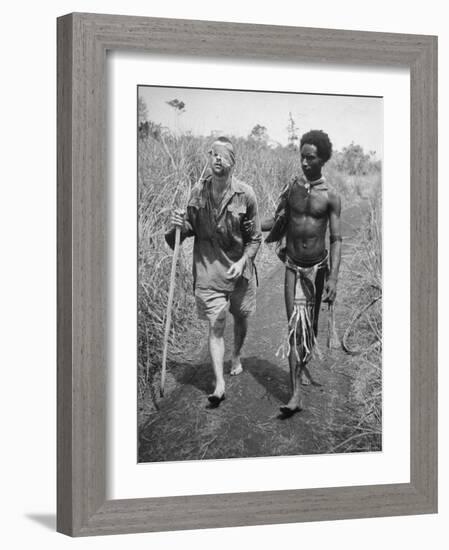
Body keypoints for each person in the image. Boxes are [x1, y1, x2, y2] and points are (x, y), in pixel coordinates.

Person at [166, 137, 262, 408]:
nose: (217, 158)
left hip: (239, 273)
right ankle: (219, 383)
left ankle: (237, 355)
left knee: (240, 318)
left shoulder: (246, 194)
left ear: (233, 161)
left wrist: (244, 261)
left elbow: (255, 239)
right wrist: (175, 225)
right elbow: (179, 237)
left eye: (223, 154)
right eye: (213, 154)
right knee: (216, 326)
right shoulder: (196, 193)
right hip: (209, 273)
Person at [262, 130, 342, 417]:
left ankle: (302, 364)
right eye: (302, 157)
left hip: (317, 270)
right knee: (295, 329)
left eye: (311, 158)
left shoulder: (331, 197)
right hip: (293, 267)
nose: (305, 163)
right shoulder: (291, 189)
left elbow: (336, 239)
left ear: (323, 159)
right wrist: (244, 222)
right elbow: (276, 220)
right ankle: (295, 392)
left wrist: (333, 278)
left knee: (312, 329)